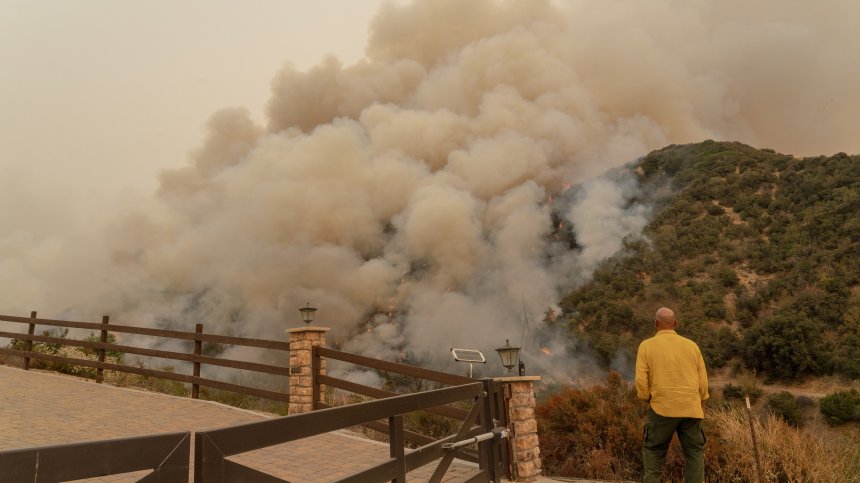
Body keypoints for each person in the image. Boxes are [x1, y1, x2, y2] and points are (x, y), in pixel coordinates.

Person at [635, 307, 709, 482]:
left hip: (661, 409)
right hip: (691, 409)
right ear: (675, 323)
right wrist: (701, 407)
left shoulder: (646, 346)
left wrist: (647, 398)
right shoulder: (692, 346)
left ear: (656, 324)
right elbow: (703, 382)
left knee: (653, 451)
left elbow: (641, 380)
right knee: (694, 454)